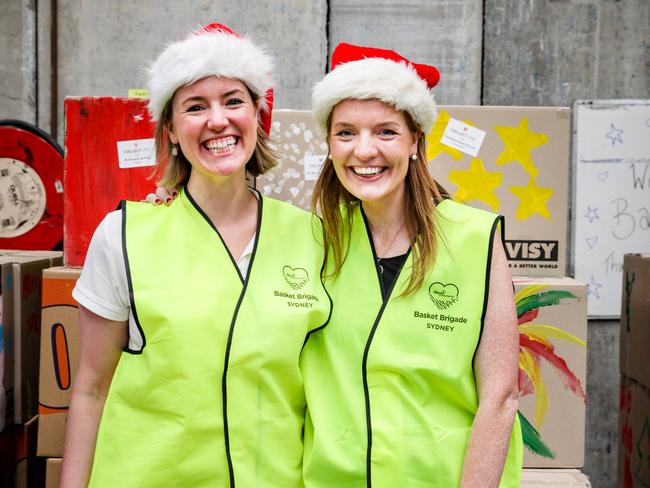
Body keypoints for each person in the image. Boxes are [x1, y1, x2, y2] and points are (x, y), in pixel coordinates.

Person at [60, 23, 331, 487]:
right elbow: (90, 388)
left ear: (257, 116)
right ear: (170, 129)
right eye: (195, 106)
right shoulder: (124, 234)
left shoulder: (314, 238)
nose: (218, 120)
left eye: (233, 101)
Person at [300, 43, 523, 487]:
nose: (364, 151)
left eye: (385, 132)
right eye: (346, 133)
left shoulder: (475, 237)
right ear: (329, 144)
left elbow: (499, 396)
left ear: (415, 142)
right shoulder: (310, 240)